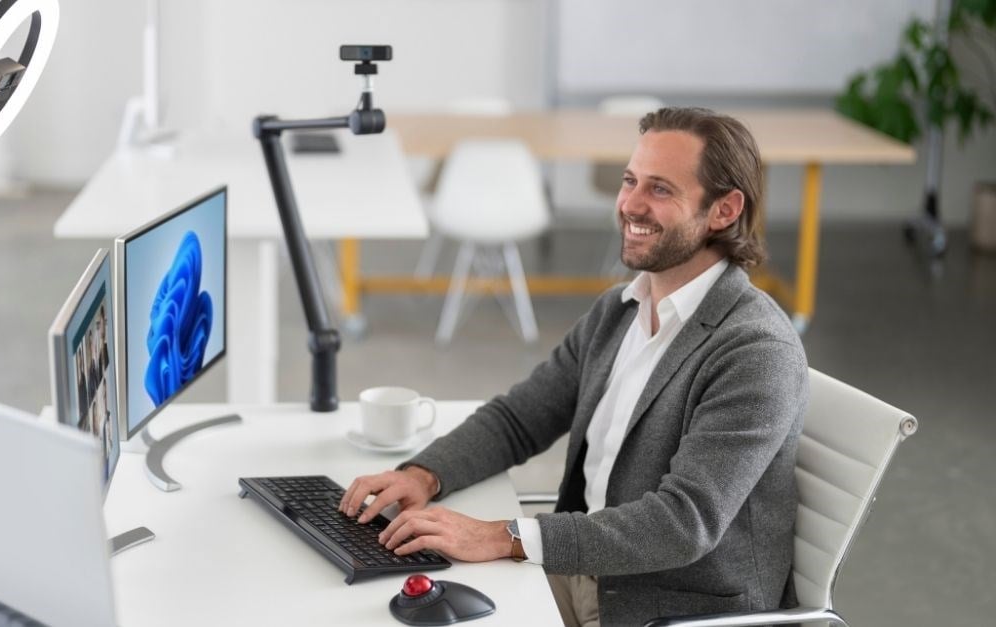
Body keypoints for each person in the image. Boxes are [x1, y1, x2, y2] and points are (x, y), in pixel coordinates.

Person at [340, 107, 808, 627]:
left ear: (724, 210)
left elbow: (683, 523)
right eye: (630, 181)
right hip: (583, 570)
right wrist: (425, 475)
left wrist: (503, 536)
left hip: (665, 607)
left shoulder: (754, 350)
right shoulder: (621, 310)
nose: (630, 204)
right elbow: (520, 418)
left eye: (660, 190)